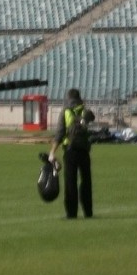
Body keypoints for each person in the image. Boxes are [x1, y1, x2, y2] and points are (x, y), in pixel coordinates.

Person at [49, 89, 94, 220]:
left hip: (70, 150)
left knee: (70, 183)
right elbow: (92, 117)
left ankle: (71, 213)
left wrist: (52, 152)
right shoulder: (85, 110)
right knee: (86, 182)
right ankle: (88, 211)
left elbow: (59, 133)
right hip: (84, 151)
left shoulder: (65, 112)